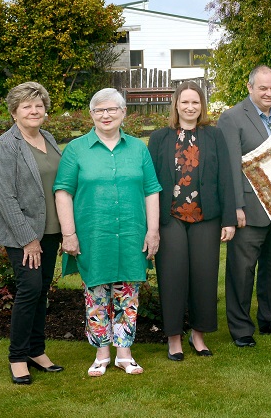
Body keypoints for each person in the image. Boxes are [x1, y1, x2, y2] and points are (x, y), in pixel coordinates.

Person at [54, 88, 161, 376]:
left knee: (128, 293)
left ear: (123, 113)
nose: (106, 115)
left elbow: (151, 190)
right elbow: (63, 191)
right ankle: (102, 354)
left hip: (131, 232)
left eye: (112, 109)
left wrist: (153, 231)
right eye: (99, 110)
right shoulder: (76, 149)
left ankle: (124, 354)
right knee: (96, 293)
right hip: (93, 234)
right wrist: (69, 234)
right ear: (91, 114)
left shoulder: (138, 148)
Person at [149, 82, 237, 360]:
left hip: (205, 217)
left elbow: (226, 177)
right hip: (170, 217)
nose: (190, 107)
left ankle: (198, 335)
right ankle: (173, 337)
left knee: (204, 276)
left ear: (202, 107)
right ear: (175, 105)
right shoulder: (160, 138)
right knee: (172, 276)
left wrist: (229, 219)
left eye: (195, 103)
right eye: (185, 102)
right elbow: (150, 183)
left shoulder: (214, 136)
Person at [219, 66, 271, 346]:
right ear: (250, 87)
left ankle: (270, 318)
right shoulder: (231, 118)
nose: (269, 93)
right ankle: (241, 329)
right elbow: (230, 166)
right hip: (249, 209)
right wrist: (236, 208)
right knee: (242, 272)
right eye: (263, 88)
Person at [0, 82, 64, 385]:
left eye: (39, 105)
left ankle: (36, 350)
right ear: (15, 112)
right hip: (22, 234)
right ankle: (18, 356)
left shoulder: (48, 137)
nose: (34, 110)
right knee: (30, 289)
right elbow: (5, 197)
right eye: (27, 106)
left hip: (50, 230)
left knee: (42, 290)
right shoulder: (7, 145)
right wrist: (28, 239)